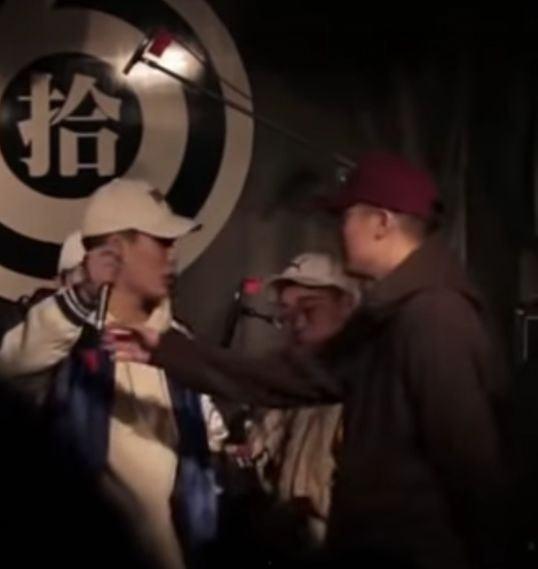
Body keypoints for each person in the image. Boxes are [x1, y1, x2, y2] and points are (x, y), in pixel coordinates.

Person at [110, 152, 511, 569]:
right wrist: (165, 350)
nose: (338, 231)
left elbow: (474, 468)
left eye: (346, 217)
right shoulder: (389, 315)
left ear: (381, 222)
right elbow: (290, 376)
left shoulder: (435, 316)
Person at [0, 178, 219, 569]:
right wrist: (83, 292)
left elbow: (208, 446)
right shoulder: (67, 344)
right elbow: (14, 367)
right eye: (162, 241)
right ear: (116, 249)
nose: (173, 255)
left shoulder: (176, 345)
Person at [241, 252, 358, 557]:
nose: (297, 322)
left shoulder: (363, 388)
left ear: (346, 305)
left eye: (310, 308)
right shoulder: (288, 385)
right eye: (286, 311)